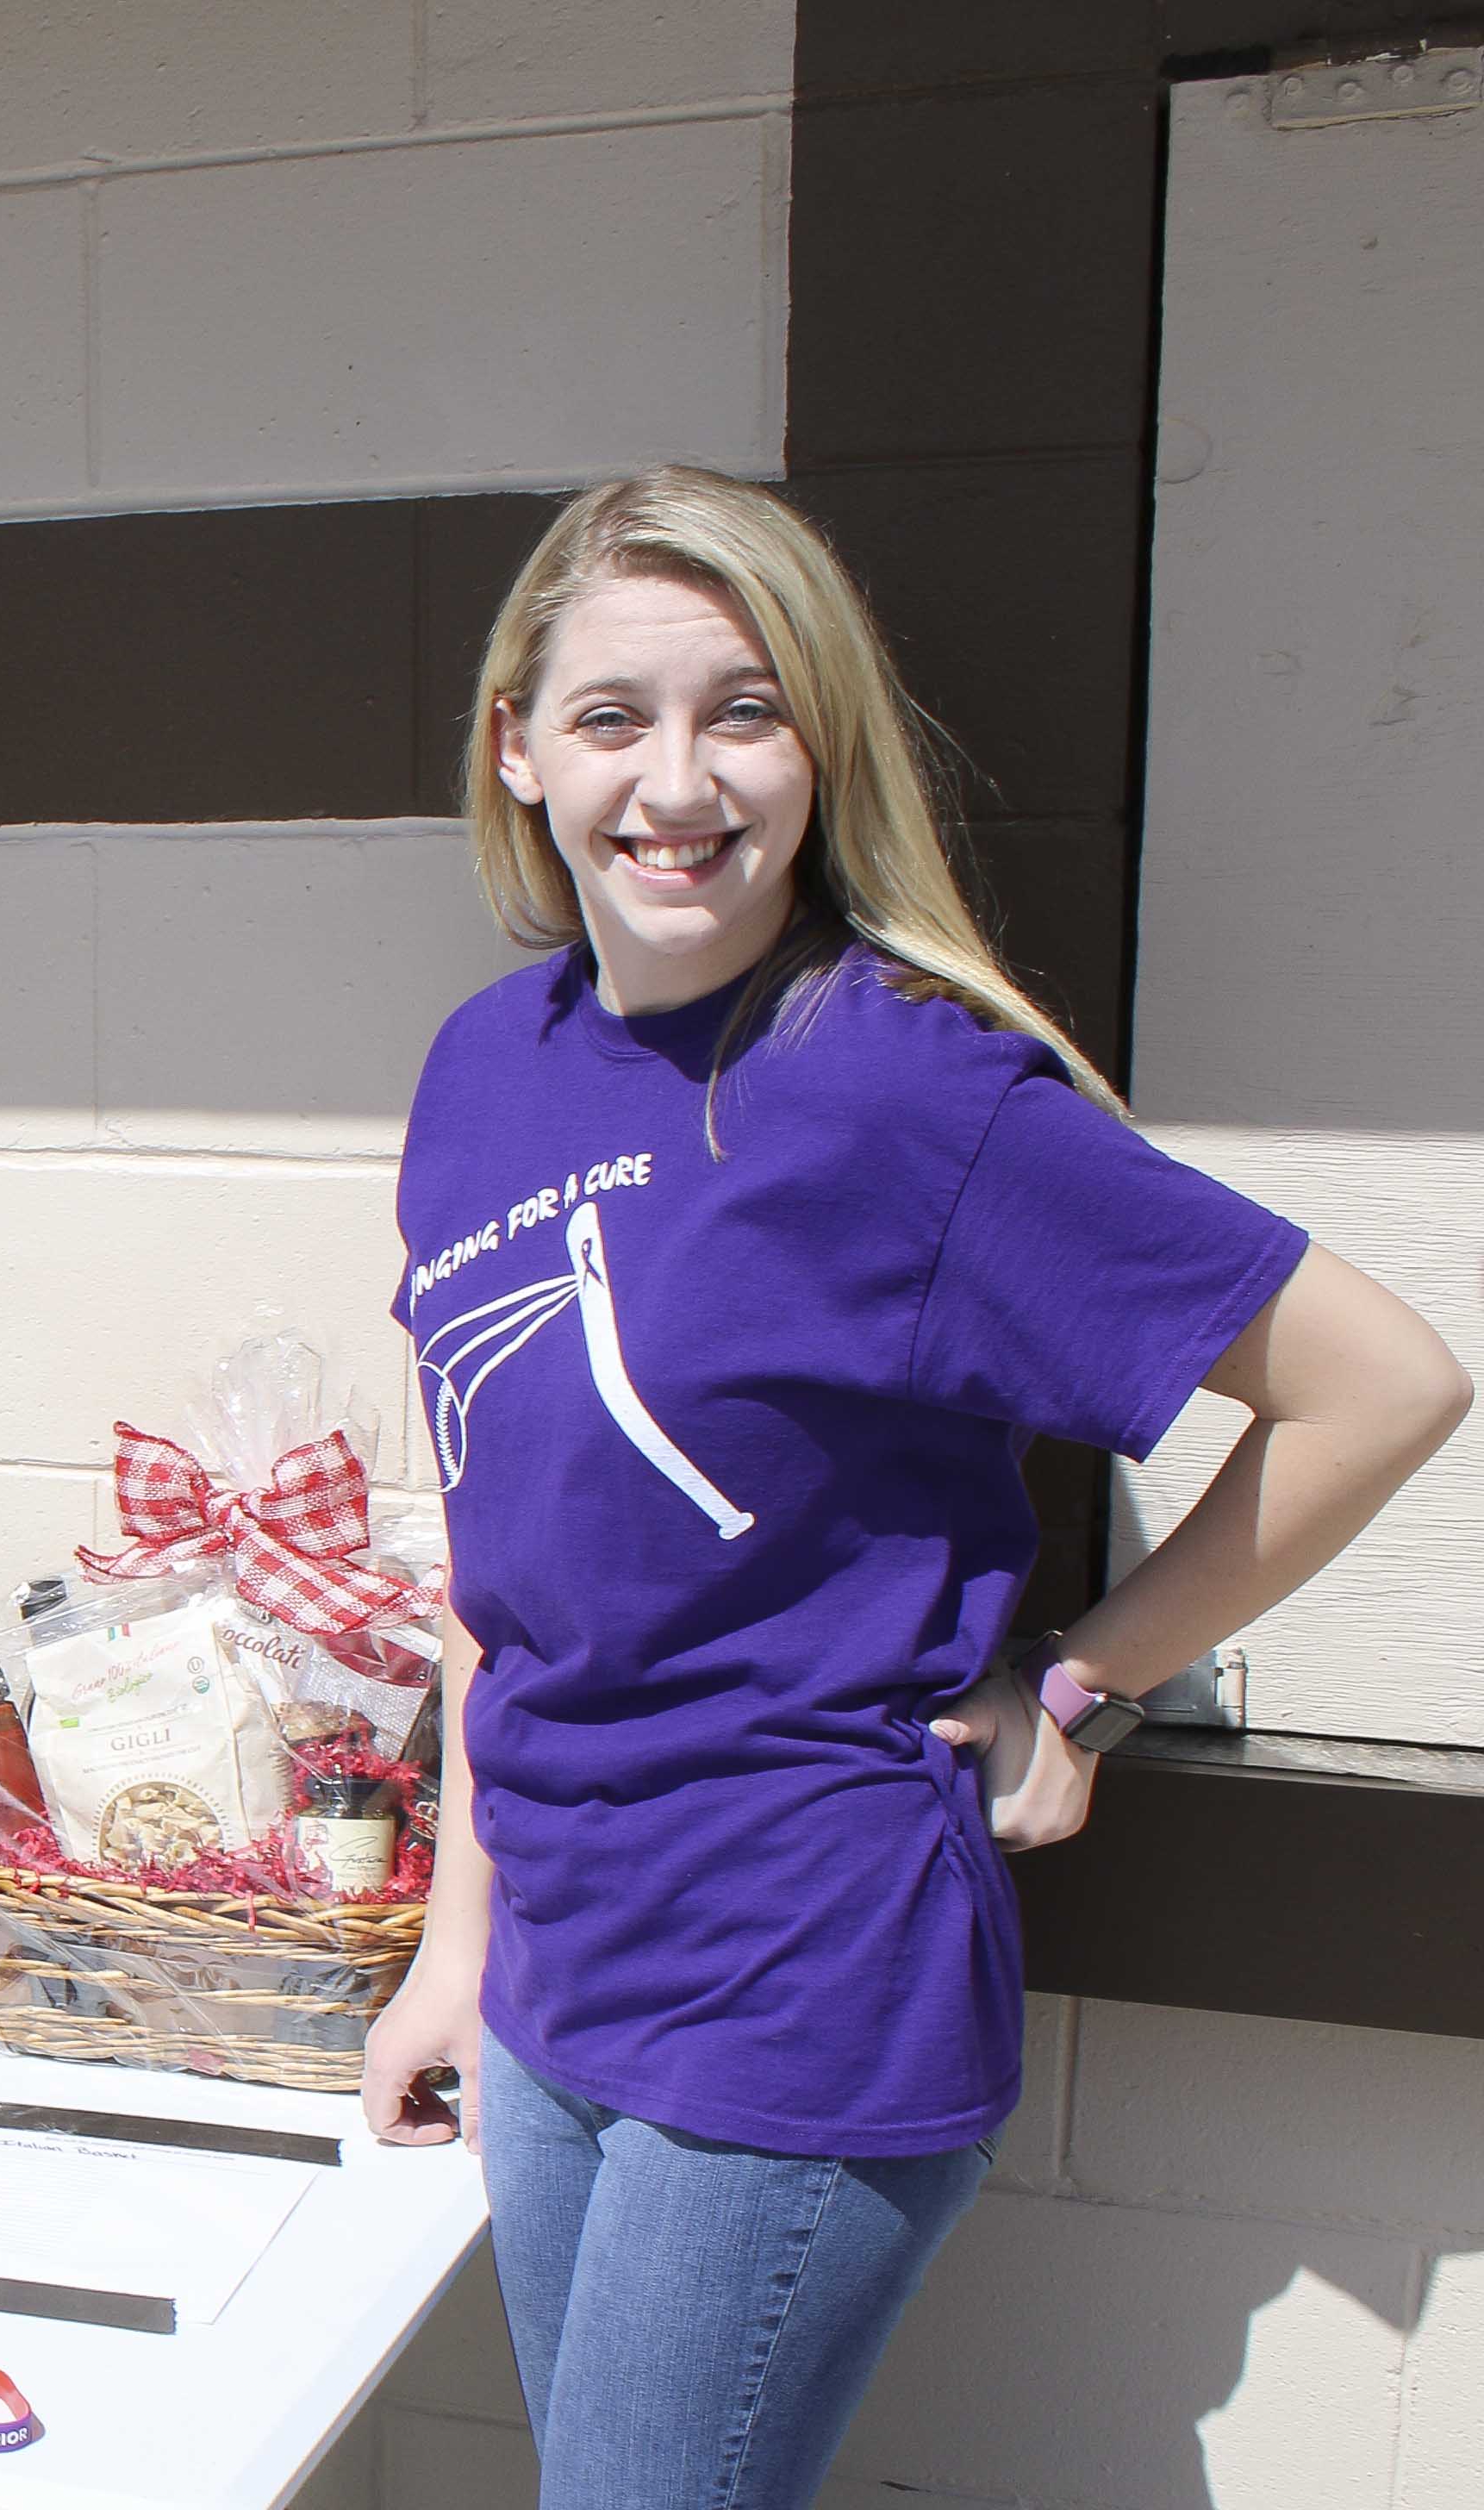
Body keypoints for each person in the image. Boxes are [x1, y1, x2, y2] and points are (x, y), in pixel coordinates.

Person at [358, 467, 1465, 2510]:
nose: (674, 782)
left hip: (795, 1976)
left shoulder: (896, 1085)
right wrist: (454, 1950)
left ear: (818, 750)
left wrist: (1080, 1674)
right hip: (554, 1978)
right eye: (609, 716)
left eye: (742, 711)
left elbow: (1378, 1389)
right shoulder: (476, 1069)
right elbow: (493, 1554)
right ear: (512, 749)